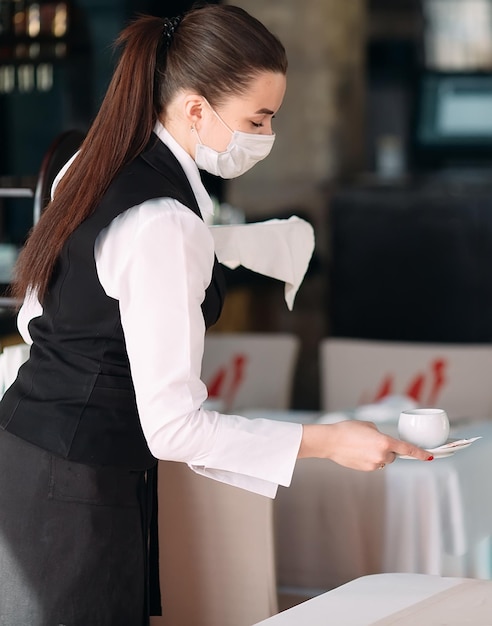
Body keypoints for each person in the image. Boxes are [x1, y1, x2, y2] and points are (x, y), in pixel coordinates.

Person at [0, 4, 432, 625]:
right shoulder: (166, 223)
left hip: (24, 456)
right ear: (197, 108)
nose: (266, 135)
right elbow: (173, 428)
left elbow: (35, 317)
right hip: (76, 493)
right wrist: (330, 441)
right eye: (258, 119)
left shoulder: (89, 167)